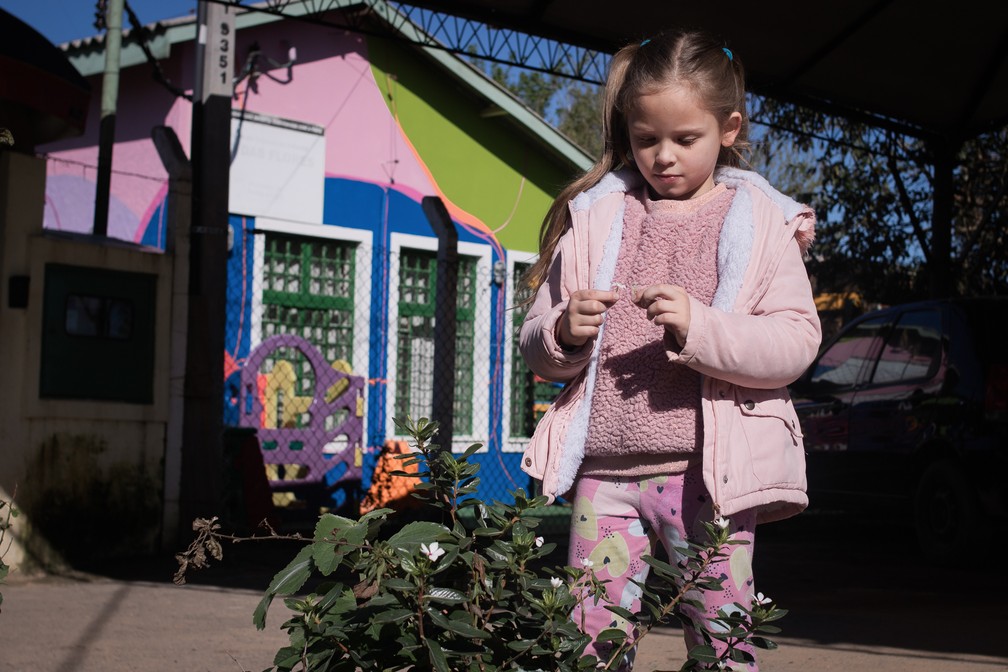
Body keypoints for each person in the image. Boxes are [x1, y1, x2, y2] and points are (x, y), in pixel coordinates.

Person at [518, 29, 821, 671]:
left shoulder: (761, 220)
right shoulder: (598, 214)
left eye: (686, 139)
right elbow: (536, 344)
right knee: (589, 647)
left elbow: (797, 340)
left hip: (708, 479)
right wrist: (563, 332)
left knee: (722, 644)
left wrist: (703, 328)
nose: (663, 157)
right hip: (606, 475)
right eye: (645, 138)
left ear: (729, 128)